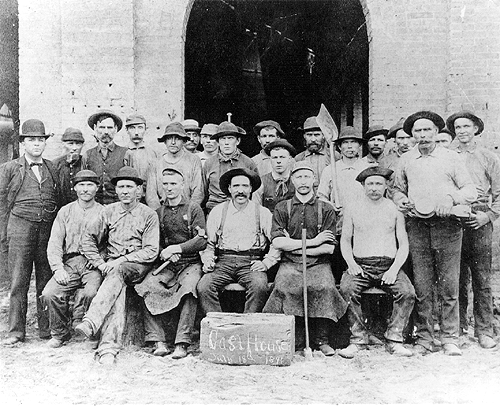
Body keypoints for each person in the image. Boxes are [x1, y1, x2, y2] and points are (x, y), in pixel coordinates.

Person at [393, 111, 477, 356]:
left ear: (437, 132)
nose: (423, 135)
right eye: (417, 131)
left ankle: (450, 337)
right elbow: (397, 189)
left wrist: (450, 198)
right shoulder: (406, 159)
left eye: (427, 130)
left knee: (449, 285)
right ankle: (425, 338)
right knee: (422, 285)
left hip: (448, 227)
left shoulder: (451, 159)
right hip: (417, 227)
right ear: (412, 135)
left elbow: (470, 190)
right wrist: (402, 201)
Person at [75, 167, 159, 364]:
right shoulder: (109, 211)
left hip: (139, 265)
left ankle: (91, 321)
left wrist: (119, 261)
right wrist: (99, 263)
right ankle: (108, 350)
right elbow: (87, 238)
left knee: (118, 272)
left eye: (130, 187)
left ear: (139, 190)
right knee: (117, 288)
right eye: (121, 187)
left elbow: (151, 251)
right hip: (114, 268)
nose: (125, 191)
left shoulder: (148, 215)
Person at [263, 162, 347, 356]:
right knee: (284, 286)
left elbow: (328, 247)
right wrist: (314, 242)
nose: (303, 181)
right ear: (292, 180)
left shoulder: (325, 209)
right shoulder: (282, 208)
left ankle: (322, 339)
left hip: (318, 263)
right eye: (298, 177)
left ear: (314, 180)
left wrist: (297, 245)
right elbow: (278, 242)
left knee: (325, 286)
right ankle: (293, 337)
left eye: (307, 177)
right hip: (290, 263)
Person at [338, 166, 415, 358]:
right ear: (363, 185)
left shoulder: (394, 209)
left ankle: (394, 339)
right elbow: (345, 240)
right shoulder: (353, 208)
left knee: (407, 293)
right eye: (370, 183)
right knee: (347, 289)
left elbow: (403, 243)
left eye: (378, 184)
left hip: (388, 266)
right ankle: (358, 340)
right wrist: (351, 263)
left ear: (386, 185)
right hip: (361, 265)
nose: (374, 188)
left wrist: (394, 269)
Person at [0, 119, 61, 345]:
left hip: (46, 230)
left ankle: (46, 329)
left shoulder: (53, 168)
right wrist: (3, 235)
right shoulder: (9, 168)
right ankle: (16, 331)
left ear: (45, 143)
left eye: (40, 140)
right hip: (19, 229)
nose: (36, 144)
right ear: (23, 143)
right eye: (31, 140)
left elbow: (61, 199)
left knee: (46, 280)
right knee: (18, 281)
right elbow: (1, 204)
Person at [135, 167, 207, 359]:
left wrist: (178, 248)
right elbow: (152, 243)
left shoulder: (193, 209)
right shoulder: (157, 213)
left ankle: (182, 343)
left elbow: (201, 240)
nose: (169, 188)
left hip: (191, 262)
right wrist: (164, 253)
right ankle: (158, 340)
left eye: (173, 183)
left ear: (182, 185)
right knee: (145, 286)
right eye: (165, 184)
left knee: (190, 289)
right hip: (167, 263)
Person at [447, 110, 500, 349]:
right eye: (458, 127)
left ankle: (485, 331)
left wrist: (487, 216)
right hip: (454, 218)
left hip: (479, 218)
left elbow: (499, 194)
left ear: (476, 129)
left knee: (481, 278)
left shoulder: (488, 157)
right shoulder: (447, 156)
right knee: (455, 277)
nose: (462, 131)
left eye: (466, 126)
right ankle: (457, 330)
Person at [198, 167, 279, 314]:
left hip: (251, 262)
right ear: (229, 189)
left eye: (245, 186)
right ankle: (219, 327)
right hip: (223, 261)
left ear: (251, 189)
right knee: (204, 287)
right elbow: (208, 245)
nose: (240, 191)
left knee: (259, 287)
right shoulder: (218, 211)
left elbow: (277, 242)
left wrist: (266, 263)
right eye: (236, 186)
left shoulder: (262, 213)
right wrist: (208, 261)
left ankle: (248, 327)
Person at [40, 170, 103, 348]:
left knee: (92, 293)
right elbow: (55, 243)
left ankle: (92, 333)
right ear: (75, 188)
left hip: (93, 265)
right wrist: (58, 268)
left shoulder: (105, 212)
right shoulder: (65, 211)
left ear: (97, 188)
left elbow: (112, 242)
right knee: (50, 293)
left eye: (90, 185)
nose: (85, 189)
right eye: (81, 185)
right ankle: (60, 333)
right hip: (70, 263)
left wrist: (100, 259)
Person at [316, 126, 370, 284]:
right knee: (338, 270)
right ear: (339, 147)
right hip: (338, 226)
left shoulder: (367, 169)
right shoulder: (330, 169)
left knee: (359, 273)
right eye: (345, 143)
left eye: (354, 142)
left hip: (362, 228)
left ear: (360, 146)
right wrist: (330, 205)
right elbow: (321, 197)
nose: (350, 146)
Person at [202, 121, 258, 213]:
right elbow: (204, 191)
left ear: (238, 141)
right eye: (223, 139)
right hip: (214, 210)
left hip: (241, 209)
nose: (226, 143)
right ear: (218, 142)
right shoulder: (209, 163)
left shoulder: (248, 163)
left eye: (230, 138)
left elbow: (255, 191)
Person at [146, 122, 203, 210]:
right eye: (169, 138)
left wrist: (189, 212)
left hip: (186, 210)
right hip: (163, 210)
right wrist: (159, 214)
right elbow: (151, 195)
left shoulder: (193, 160)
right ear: (165, 141)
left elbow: (198, 191)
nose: (173, 142)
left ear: (184, 141)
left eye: (177, 139)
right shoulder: (156, 163)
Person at [83, 109, 128, 205]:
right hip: (94, 207)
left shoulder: (126, 154)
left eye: (110, 127)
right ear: (95, 128)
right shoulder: (88, 155)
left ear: (115, 129)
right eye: (102, 127)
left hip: (118, 207)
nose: (106, 132)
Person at [253, 139, 296, 213]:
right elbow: (256, 210)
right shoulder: (262, 182)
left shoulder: (297, 180)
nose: (278, 161)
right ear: (270, 159)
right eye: (275, 158)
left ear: (289, 159)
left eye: (282, 157)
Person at [122, 113, 159, 195]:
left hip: (149, 197)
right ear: (127, 130)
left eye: (140, 128)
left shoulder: (152, 153)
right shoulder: (122, 152)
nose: (136, 132)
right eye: (132, 128)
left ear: (146, 129)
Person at [52, 127, 86, 206]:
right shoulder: (54, 165)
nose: (74, 148)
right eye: (70, 143)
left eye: (78, 144)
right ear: (63, 144)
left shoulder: (86, 163)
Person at [295, 116, 332, 187]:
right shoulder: (299, 159)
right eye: (309, 135)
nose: (313, 139)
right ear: (304, 136)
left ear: (323, 135)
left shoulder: (333, 156)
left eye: (317, 135)